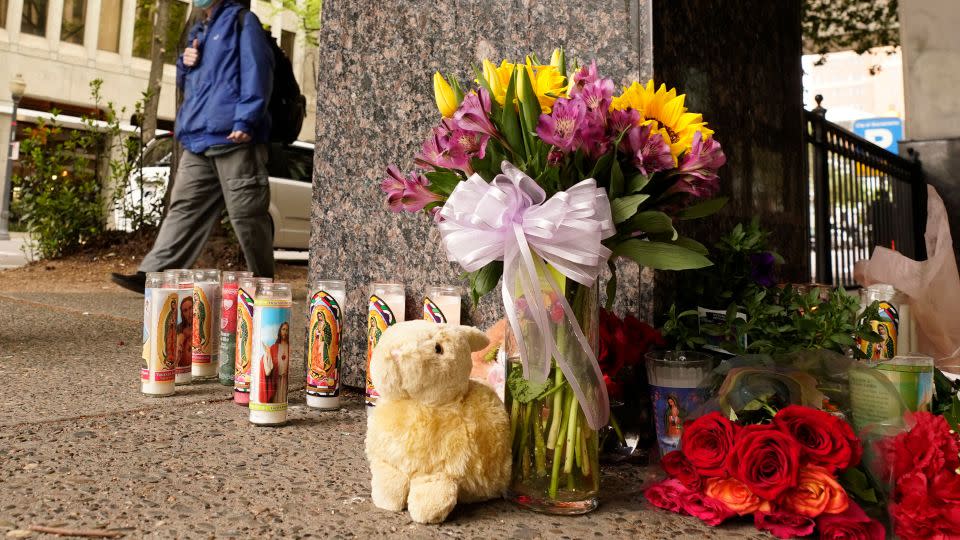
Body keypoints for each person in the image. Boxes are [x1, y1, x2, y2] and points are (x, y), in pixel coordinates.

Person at [111, 0, 276, 294]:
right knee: (183, 208)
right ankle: (152, 274)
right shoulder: (199, 28)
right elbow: (193, 84)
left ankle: (264, 282)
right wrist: (185, 64)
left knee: (247, 214)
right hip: (198, 138)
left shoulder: (242, 21)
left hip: (233, 137)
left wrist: (246, 120)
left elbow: (258, 71)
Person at [258, 321, 290, 403]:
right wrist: (267, 353)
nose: (285, 332)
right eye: (283, 329)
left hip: (285, 380)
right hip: (276, 380)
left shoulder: (289, 347)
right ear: (280, 331)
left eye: (287, 330)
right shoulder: (274, 347)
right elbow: (268, 362)